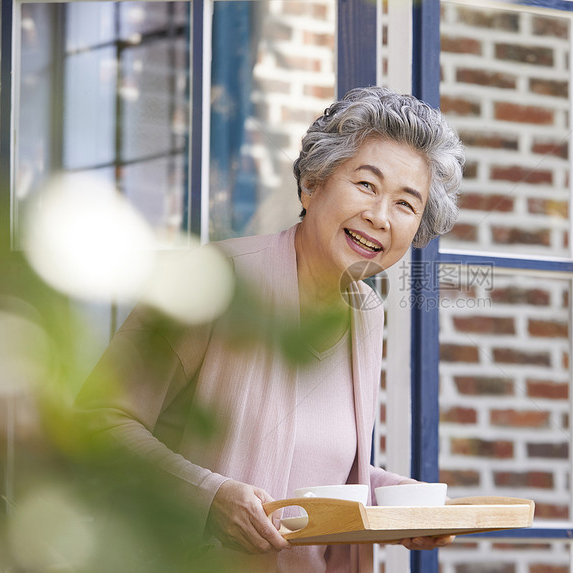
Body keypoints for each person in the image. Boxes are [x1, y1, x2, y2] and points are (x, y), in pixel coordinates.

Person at [75, 85, 465, 572]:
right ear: (313, 184)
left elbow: (314, 475)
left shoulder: (366, 312)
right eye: (366, 185)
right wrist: (210, 499)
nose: (379, 216)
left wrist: (399, 501)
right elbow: (96, 423)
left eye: (406, 204)